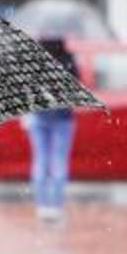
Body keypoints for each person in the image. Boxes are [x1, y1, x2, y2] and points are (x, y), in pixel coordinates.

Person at [25, 38, 78, 222]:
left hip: (39, 116)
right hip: (63, 118)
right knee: (58, 162)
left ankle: (42, 206)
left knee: (40, 160)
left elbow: (28, 88)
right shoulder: (67, 59)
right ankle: (55, 206)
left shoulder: (37, 58)